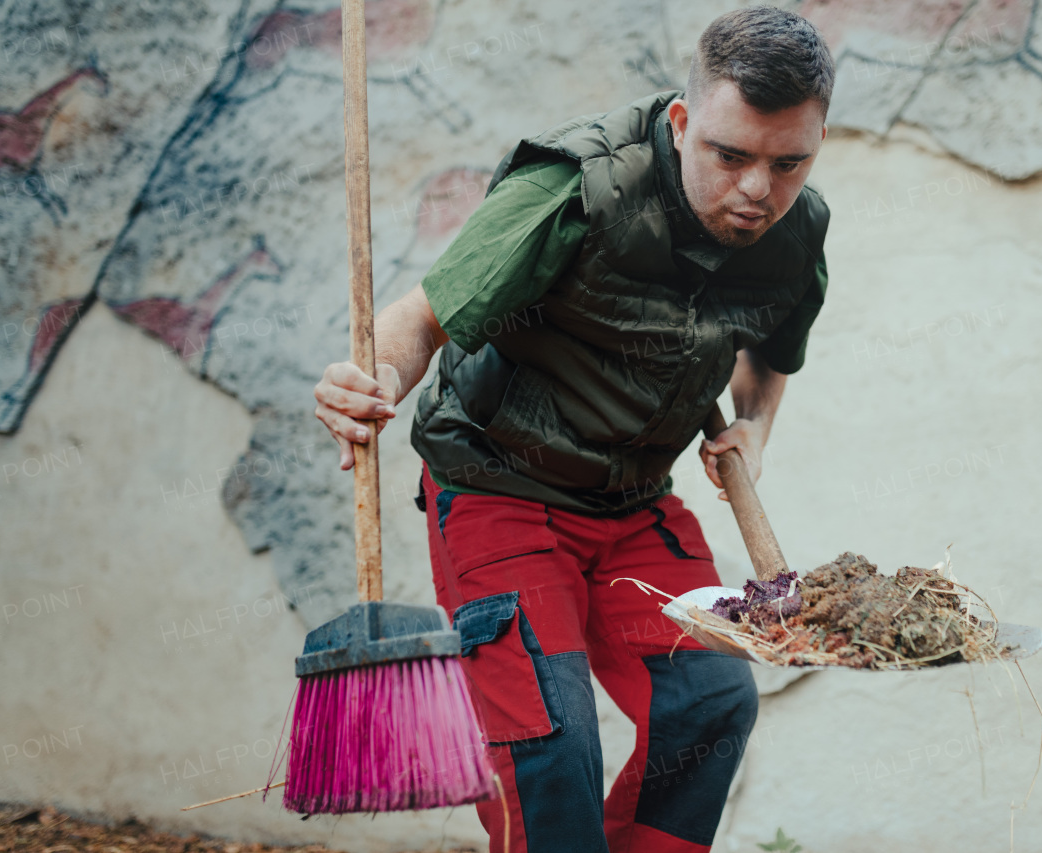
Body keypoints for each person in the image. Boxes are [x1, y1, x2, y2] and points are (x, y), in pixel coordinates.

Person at [314, 6, 834, 851]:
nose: (756, 190)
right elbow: (420, 319)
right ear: (681, 121)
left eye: (788, 163)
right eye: (729, 155)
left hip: (631, 503)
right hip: (498, 485)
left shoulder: (796, 229)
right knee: (551, 741)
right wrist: (372, 379)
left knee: (712, 697)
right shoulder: (576, 185)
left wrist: (754, 424)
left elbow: (771, 349)